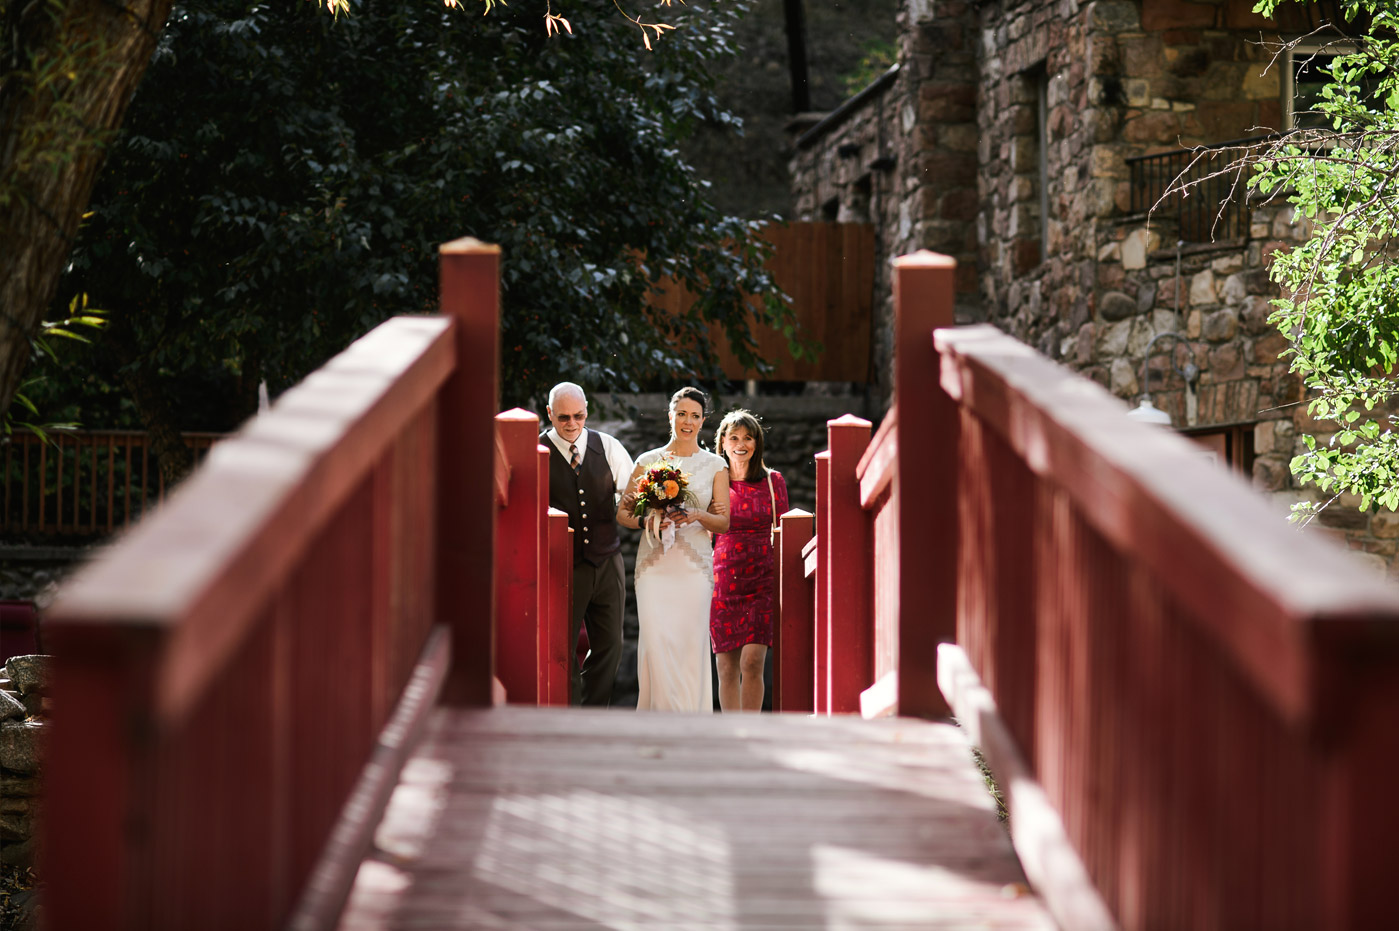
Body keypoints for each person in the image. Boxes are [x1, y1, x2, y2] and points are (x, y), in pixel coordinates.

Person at [617, 387, 730, 712]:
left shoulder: (715, 465)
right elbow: (623, 513)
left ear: (704, 420)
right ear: (671, 416)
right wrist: (650, 519)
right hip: (654, 566)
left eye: (695, 416)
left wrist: (696, 514)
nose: (687, 421)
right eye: (681, 414)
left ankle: (690, 719)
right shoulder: (648, 461)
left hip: (694, 568)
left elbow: (723, 523)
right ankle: (660, 717)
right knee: (657, 639)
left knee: (690, 642)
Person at [543, 382, 634, 706]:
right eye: (563, 417)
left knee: (611, 646)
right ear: (550, 414)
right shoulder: (537, 451)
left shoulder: (607, 446)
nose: (571, 424)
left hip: (607, 561)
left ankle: (594, 712)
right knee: (560, 649)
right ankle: (568, 715)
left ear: (587, 412)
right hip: (561, 567)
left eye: (578, 416)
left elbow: (631, 496)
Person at [709, 410, 788, 712]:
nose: (741, 444)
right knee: (726, 668)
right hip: (723, 580)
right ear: (723, 443)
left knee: (752, 661)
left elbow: (783, 530)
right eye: (734, 437)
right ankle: (732, 734)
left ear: (757, 443)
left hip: (762, 579)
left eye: (748, 437)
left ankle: (750, 728)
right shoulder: (715, 482)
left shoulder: (773, 481)